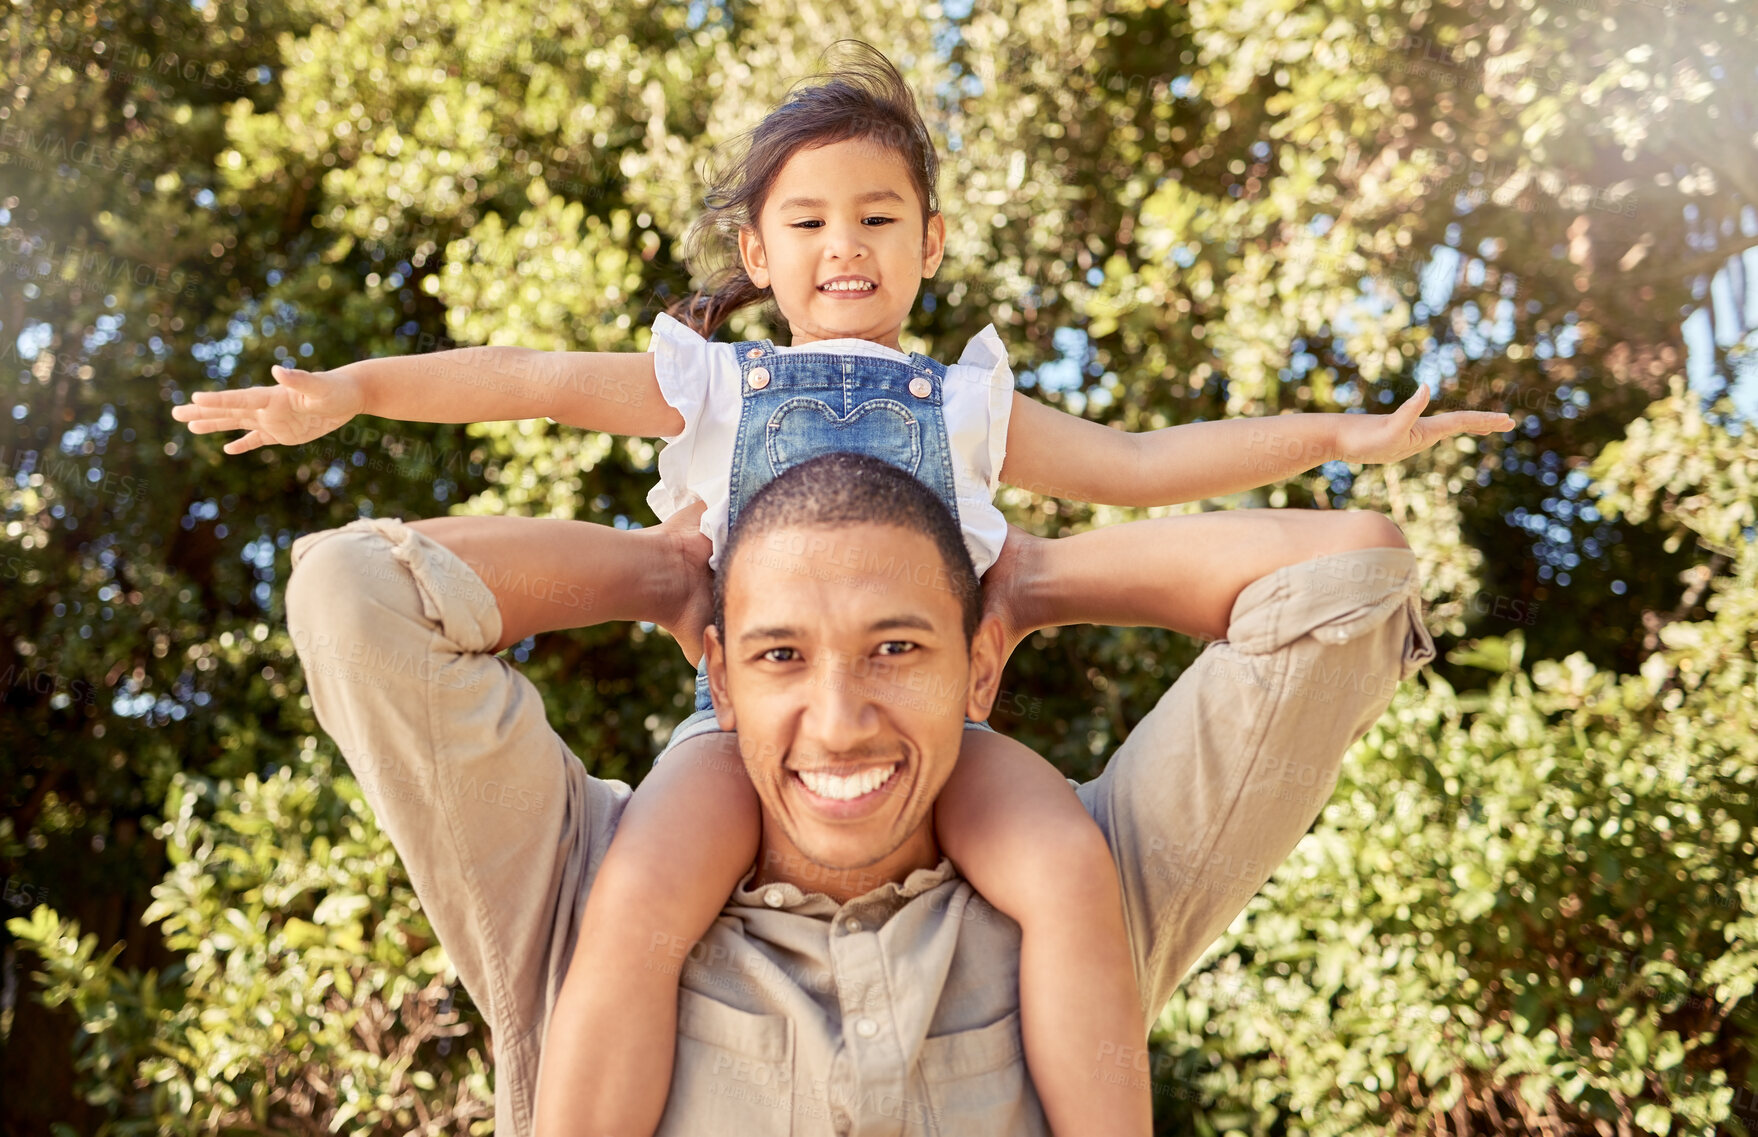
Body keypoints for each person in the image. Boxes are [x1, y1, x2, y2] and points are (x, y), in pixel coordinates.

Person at [179, 40, 1505, 1136]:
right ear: (756, 254)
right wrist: (354, 394)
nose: (845, 244)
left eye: (878, 217)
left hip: (952, 738)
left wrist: (1335, 438)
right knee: (638, 898)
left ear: (930, 242)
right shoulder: (711, 384)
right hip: (731, 744)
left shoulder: (972, 402)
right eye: (807, 221)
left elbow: (1145, 464)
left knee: (1062, 868)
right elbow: (524, 376)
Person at [282, 449, 1436, 1135]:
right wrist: (663, 576)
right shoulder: (573, 888)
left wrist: (1031, 583)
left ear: (977, 667)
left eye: (899, 648)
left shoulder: (1095, 880)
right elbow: (353, 595)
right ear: (721, 675)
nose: (838, 722)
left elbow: (1349, 580)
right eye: (781, 656)